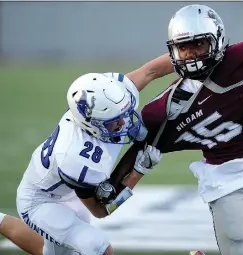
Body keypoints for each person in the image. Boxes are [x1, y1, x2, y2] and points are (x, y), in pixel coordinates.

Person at [112, 4, 243, 255]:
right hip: (225, 185)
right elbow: (134, 156)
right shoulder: (165, 111)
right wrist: (109, 186)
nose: (190, 54)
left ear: (217, 41)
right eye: (183, 47)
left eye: (198, 44)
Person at [15, 69, 166, 255]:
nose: (123, 123)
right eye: (114, 120)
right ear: (92, 123)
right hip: (40, 201)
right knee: (98, 248)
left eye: (122, 114)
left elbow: (151, 71)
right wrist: (138, 172)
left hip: (68, 191)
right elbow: (101, 210)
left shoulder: (108, 105)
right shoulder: (76, 157)